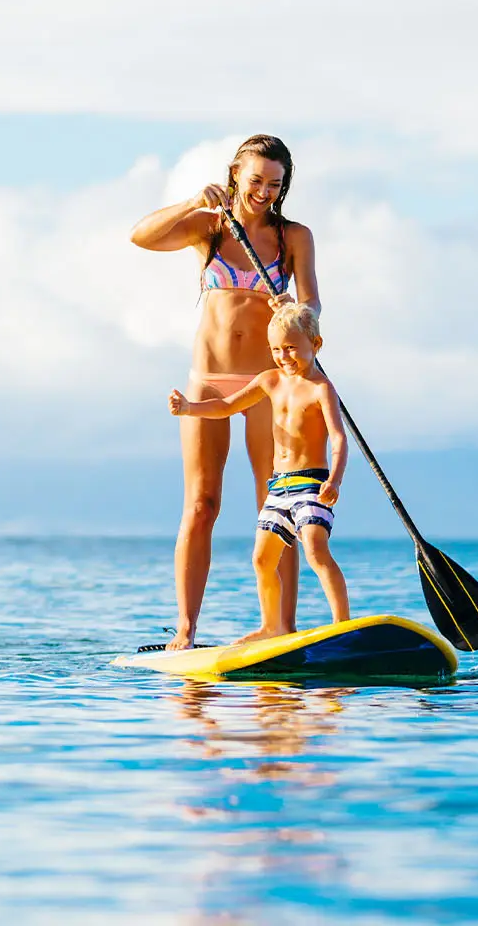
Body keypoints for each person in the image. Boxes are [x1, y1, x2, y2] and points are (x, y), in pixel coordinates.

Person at [130, 135, 319, 649]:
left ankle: (281, 627)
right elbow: (140, 237)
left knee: (276, 505)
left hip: (269, 385)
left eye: (275, 184)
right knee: (202, 504)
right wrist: (194, 201)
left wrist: (295, 313)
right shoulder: (210, 228)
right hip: (208, 380)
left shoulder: (294, 237)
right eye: (255, 180)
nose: (263, 192)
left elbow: (314, 306)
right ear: (236, 174)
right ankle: (186, 631)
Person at [169, 302, 350, 642]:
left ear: (316, 344)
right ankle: (272, 626)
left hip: (312, 484)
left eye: (292, 348)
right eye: (277, 349)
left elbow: (339, 438)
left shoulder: (321, 388)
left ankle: (342, 625)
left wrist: (335, 479)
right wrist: (190, 408)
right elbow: (226, 406)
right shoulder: (269, 381)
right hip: (278, 488)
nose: (284, 356)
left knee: (314, 547)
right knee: (262, 560)